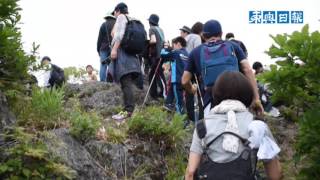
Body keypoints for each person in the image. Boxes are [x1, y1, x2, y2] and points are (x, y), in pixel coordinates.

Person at [185, 71, 282, 180]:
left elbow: (190, 172)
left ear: (216, 94)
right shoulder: (257, 125)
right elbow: (275, 175)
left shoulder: (202, 126)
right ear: (247, 94)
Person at [182, 19, 263, 115]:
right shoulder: (233, 46)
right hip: (238, 101)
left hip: (211, 101)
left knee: (211, 128)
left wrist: (192, 89)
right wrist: (256, 99)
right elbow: (248, 69)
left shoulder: (196, 52)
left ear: (203, 35)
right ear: (221, 33)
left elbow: (184, 81)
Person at [110, 2, 142, 120]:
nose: (115, 16)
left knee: (125, 82)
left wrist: (114, 49)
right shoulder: (133, 19)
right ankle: (128, 109)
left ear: (118, 11)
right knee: (127, 82)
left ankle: (128, 111)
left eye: (115, 13)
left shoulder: (121, 17)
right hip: (133, 55)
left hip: (123, 54)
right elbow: (113, 33)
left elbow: (118, 35)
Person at [161, 36, 189, 114]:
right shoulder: (187, 54)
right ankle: (168, 104)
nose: (173, 47)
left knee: (179, 101)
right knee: (172, 91)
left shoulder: (176, 52)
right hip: (186, 80)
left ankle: (181, 120)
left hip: (177, 80)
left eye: (174, 45)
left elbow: (163, 54)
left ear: (178, 44)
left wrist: (165, 47)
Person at [184, 22, 203, 123]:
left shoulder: (187, 37)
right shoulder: (197, 37)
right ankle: (198, 116)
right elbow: (198, 52)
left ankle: (189, 115)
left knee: (188, 90)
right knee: (197, 90)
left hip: (185, 66)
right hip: (193, 67)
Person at [148, 14, 167, 100]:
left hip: (156, 55)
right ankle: (156, 94)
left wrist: (147, 44)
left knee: (157, 74)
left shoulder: (151, 29)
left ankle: (163, 93)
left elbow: (153, 40)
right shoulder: (161, 30)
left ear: (150, 22)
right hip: (162, 54)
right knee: (155, 74)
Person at [97, 12, 116, 82]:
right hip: (113, 48)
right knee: (113, 64)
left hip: (103, 48)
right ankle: (113, 81)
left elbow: (99, 39)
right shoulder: (116, 24)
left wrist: (98, 50)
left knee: (103, 65)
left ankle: (102, 81)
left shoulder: (103, 25)